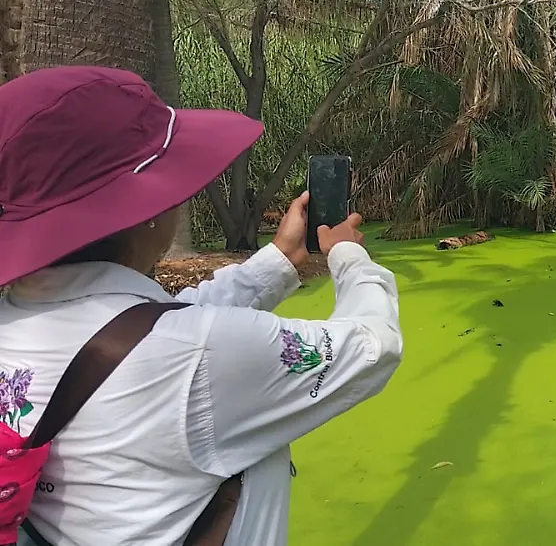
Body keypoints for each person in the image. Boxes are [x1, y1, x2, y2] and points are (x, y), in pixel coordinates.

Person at [0, 66, 402, 545]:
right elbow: (373, 347)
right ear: (145, 211)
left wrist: (277, 263)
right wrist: (347, 254)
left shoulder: (16, 320)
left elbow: (142, 325)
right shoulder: (199, 353)